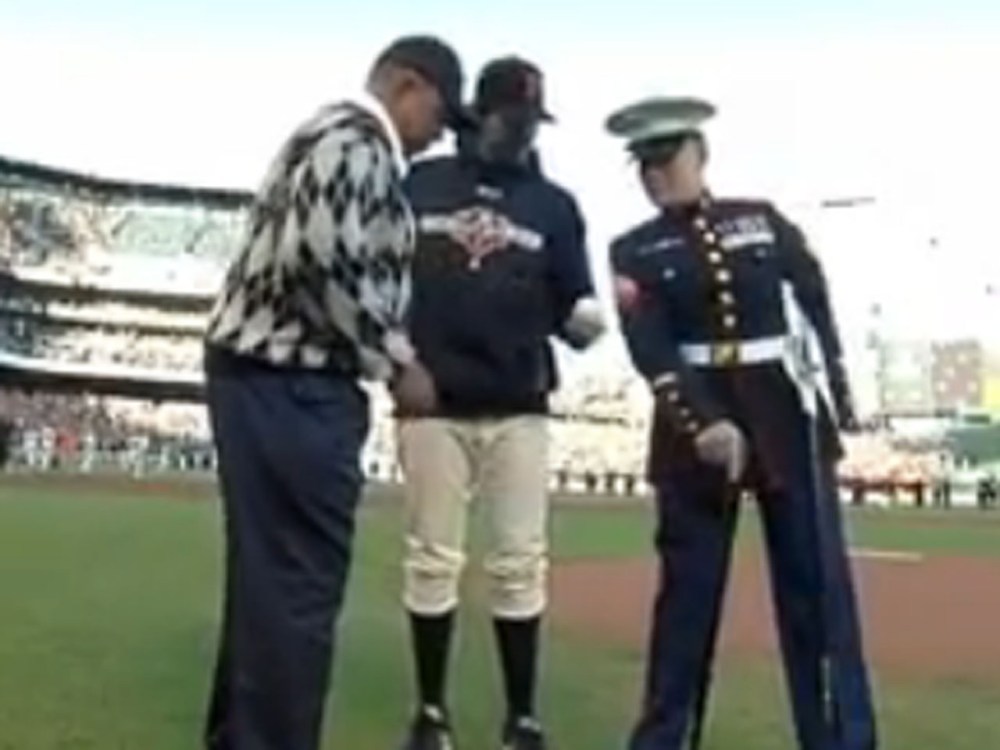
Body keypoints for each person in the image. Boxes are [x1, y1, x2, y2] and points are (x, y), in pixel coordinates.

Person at [200, 35, 469, 750]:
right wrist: (396, 360)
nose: (442, 132)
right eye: (442, 112)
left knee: (268, 594)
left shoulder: (331, 136)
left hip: (265, 378)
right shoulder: (358, 143)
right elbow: (322, 257)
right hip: (293, 383)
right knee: (296, 596)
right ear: (409, 86)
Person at [604, 97, 878, 750]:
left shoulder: (761, 220)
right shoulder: (634, 250)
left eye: (666, 160)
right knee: (686, 607)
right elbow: (651, 344)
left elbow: (814, 301)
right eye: (643, 166)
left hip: (786, 416)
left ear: (701, 154)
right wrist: (701, 421)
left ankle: (842, 739)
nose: (654, 176)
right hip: (693, 431)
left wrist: (837, 396)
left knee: (819, 596)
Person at [394, 57, 605, 750]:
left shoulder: (555, 205)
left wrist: (586, 319)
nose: (520, 135)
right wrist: (395, 359)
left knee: (519, 559)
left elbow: (577, 303)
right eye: (512, 119)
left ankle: (522, 716)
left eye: (530, 123)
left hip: (519, 401)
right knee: (432, 556)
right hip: (434, 400)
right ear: (479, 116)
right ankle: (431, 712)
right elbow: (382, 275)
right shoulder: (419, 184)